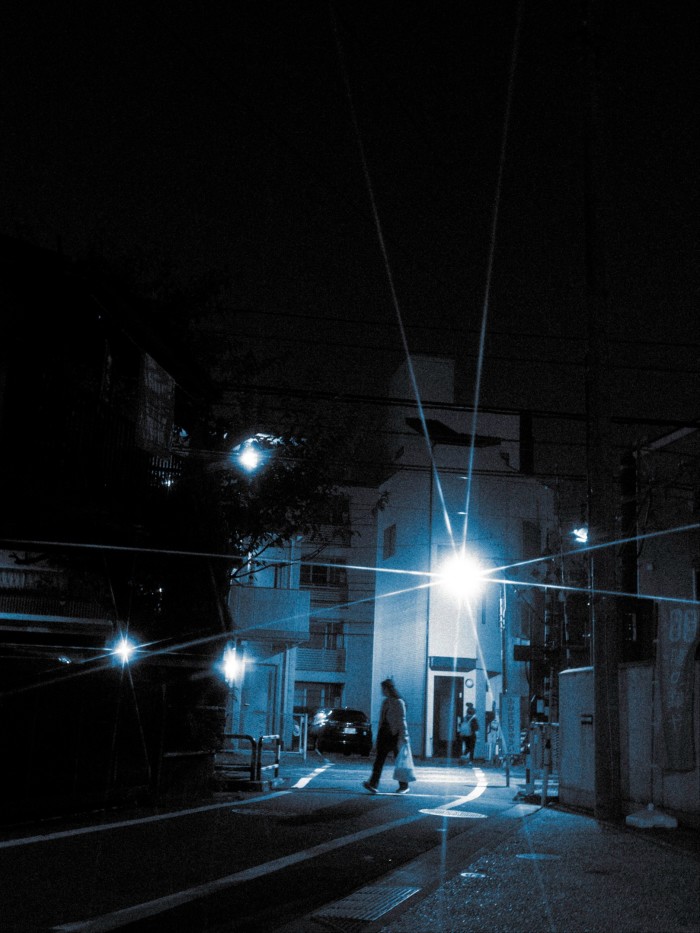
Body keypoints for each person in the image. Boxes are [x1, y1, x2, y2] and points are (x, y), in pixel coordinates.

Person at [363, 678, 411, 794]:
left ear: (387, 688)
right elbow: (382, 720)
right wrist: (377, 735)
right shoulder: (385, 702)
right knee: (379, 760)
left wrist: (405, 736)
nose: (381, 691)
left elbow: (402, 720)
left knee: (399, 762)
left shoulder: (398, 702)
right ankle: (373, 784)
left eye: (383, 688)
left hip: (395, 735)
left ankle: (404, 786)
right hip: (384, 734)